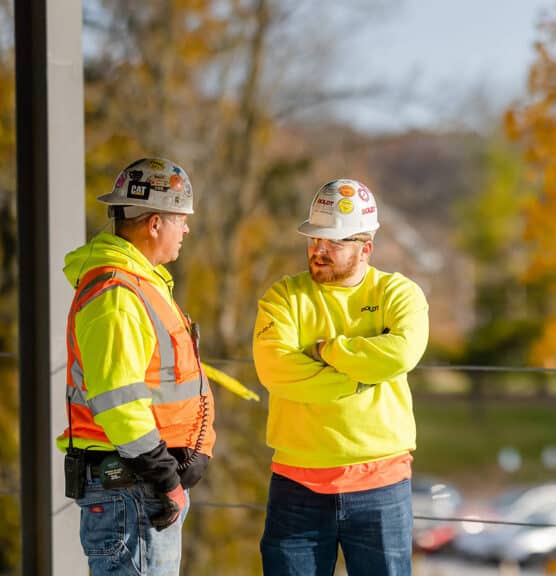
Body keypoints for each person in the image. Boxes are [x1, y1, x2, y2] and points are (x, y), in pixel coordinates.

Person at [253, 179, 429, 576]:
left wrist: (325, 351)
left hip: (381, 486)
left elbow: (401, 353)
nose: (319, 250)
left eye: (334, 242)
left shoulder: (398, 294)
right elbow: (275, 370)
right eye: (315, 239)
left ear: (366, 247)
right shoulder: (283, 298)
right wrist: (360, 377)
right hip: (296, 487)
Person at [57, 157, 216, 575]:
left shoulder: (139, 285)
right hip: (133, 487)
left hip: (138, 486)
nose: (186, 230)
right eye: (181, 220)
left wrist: (193, 452)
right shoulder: (117, 295)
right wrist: (165, 476)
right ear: (155, 223)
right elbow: (118, 401)